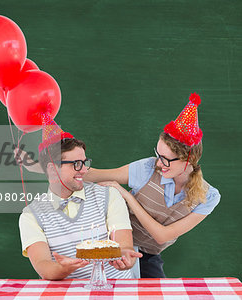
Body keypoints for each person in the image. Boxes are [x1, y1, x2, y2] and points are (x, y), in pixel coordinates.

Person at [83, 93, 221, 278]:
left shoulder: (208, 196)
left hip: (147, 255)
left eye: (166, 159)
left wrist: (129, 197)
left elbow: (162, 236)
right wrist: (60, 161)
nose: (158, 163)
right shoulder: (147, 168)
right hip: (114, 245)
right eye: (158, 154)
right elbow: (95, 175)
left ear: (188, 160)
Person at [18, 118, 141, 280]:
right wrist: (63, 268)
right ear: (53, 170)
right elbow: (44, 266)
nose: (83, 170)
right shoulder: (30, 215)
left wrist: (125, 255)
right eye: (76, 164)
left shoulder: (108, 195)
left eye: (84, 163)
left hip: (117, 289)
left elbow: (124, 245)